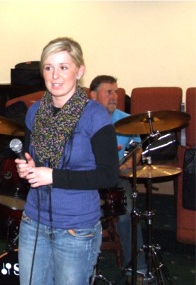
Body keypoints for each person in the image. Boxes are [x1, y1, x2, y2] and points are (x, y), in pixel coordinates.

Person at [14, 37, 119, 285]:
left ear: (79, 71)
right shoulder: (34, 111)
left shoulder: (95, 115)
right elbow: (33, 159)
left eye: (64, 67)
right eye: (49, 68)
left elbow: (108, 176)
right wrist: (27, 167)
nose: (55, 76)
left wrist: (53, 176)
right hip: (33, 222)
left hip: (77, 230)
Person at [89, 75, 146, 275]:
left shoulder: (125, 120)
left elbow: (137, 148)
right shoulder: (82, 118)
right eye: (109, 92)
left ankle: (137, 266)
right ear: (93, 95)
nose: (114, 96)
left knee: (128, 213)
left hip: (117, 178)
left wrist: (129, 164)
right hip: (88, 178)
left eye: (116, 92)